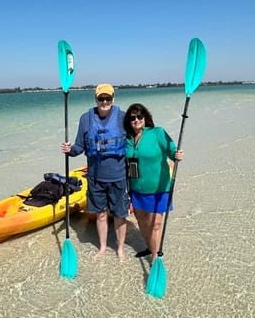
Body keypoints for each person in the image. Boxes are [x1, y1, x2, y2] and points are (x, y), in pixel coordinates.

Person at [60, 83, 130, 261]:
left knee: (120, 215)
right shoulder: (86, 119)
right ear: (96, 99)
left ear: (113, 99)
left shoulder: (123, 117)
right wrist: (69, 150)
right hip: (95, 178)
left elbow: (136, 141)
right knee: (100, 214)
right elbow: (79, 147)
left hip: (118, 176)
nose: (104, 102)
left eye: (108, 98)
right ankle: (103, 247)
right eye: (101, 98)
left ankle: (120, 249)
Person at [123, 103, 184, 262]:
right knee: (142, 220)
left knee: (155, 224)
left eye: (140, 116)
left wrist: (176, 154)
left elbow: (172, 150)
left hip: (158, 188)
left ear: (145, 118)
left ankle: (156, 259)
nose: (136, 120)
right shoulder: (127, 139)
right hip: (136, 189)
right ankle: (150, 248)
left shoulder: (157, 133)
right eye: (133, 118)